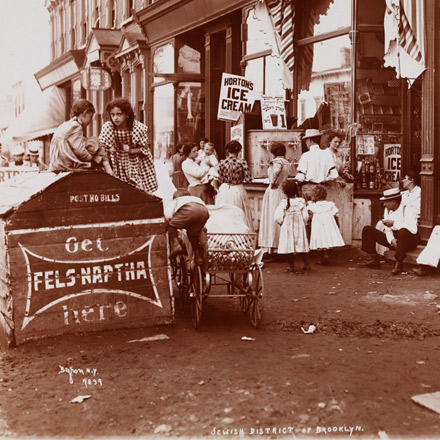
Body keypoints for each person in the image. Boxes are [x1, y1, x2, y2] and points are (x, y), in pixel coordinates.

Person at [99, 97, 158, 193]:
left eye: (119, 114)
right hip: (116, 162)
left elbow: (145, 149)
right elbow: (102, 147)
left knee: (137, 190)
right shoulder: (108, 127)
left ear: (126, 115)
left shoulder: (136, 127)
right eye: (113, 115)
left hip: (135, 162)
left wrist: (131, 150)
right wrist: (110, 150)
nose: (115, 118)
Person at [359, 187, 419, 275]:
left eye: (386, 202)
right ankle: (374, 259)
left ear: (394, 202)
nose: (384, 204)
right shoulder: (387, 210)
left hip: (408, 241)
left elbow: (413, 229)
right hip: (395, 240)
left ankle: (399, 262)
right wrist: (391, 240)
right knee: (367, 229)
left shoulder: (407, 209)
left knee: (402, 231)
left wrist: (394, 224)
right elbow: (387, 229)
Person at [49, 99, 111, 173]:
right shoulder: (76, 126)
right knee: (95, 143)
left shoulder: (67, 124)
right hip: (65, 163)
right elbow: (80, 151)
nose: (91, 121)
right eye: (91, 117)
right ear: (85, 113)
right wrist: (91, 158)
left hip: (56, 163)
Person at [258, 142, 291, 255]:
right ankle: (280, 246)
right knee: (281, 216)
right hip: (283, 190)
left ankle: (273, 248)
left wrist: (272, 181)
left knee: (273, 217)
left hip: (275, 191)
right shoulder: (286, 162)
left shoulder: (277, 162)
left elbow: (277, 170)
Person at [164, 188, 210, 265]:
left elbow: (168, 215)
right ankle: (197, 256)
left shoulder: (177, 200)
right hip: (204, 212)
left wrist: (169, 227)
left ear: (175, 197)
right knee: (192, 234)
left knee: (171, 226)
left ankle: (176, 245)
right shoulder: (195, 199)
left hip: (188, 211)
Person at [216, 140, 253, 231]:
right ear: (239, 151)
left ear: (228, 151)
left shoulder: (222, 162)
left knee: (223, 213)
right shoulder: (242, 162)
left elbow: (219, 178)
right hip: (237, 189)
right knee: (238, 212)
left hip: (224, 189)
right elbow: (248, 179)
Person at [273, 180, 310, 273]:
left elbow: (277, 216)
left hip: (287, 226)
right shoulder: (301, 202)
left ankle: (291, 266)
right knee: (301, 243)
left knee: (288, 244)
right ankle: (306, 263)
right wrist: (304, 223)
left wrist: (281, 222)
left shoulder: (284, 203)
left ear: (285, 192)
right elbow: (305, 216)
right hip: (299, 226)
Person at [307, 185, 345, 265]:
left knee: (319, 240)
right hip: (328, 224)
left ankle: (321, 257)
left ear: (314, 196)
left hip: (318, 226)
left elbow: (309, 217)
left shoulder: (312, 206)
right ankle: (327, 253)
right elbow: (336, 215)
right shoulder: (330, 205)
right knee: (328, 239)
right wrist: (337, 225)